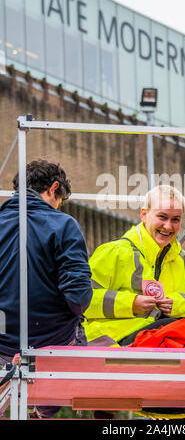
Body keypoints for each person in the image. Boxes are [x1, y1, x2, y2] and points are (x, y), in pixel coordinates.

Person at [0, 159, 93, 417]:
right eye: (59, 199)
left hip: (2, 342)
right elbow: (78, 297)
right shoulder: (63, 225)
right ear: (53, 189)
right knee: (79, 335)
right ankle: (42, 411)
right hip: (52, 343)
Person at [83, 184, 185, 348]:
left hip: (165, 340)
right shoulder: (112, 252)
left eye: (175, 219)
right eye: (162, 217)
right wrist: (131, 304)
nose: (168, 226)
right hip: (115, 343)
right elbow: (80, 300)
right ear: (144, 214)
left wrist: (178, 305)